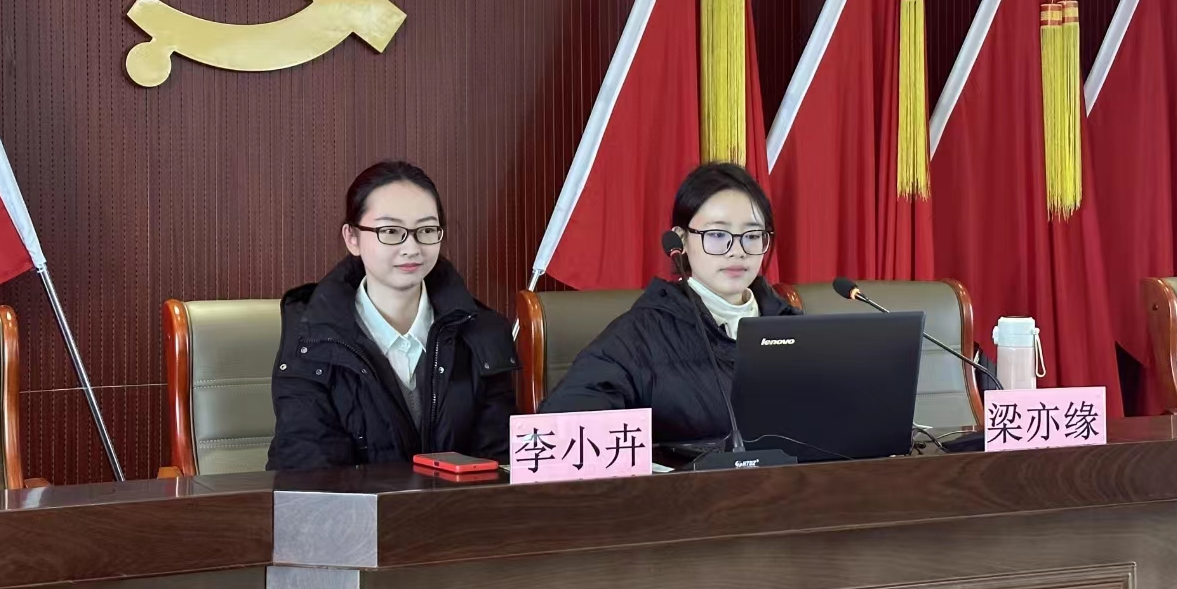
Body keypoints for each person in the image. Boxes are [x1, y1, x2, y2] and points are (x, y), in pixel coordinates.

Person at [267, 161, 518, 471]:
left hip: (459, 503)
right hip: (351, 503)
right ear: (352, 238)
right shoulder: (312, 337)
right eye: (390, 231)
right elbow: (309, 472)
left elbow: (498, 464)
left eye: (426, 230)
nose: (411, 248)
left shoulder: (483, 331)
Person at [540, 161, 797, 444]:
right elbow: (562, 426)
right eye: (717, 235)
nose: (737, 251)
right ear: (681, 240)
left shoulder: (791, 325)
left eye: (752, 236)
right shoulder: (640, 334)